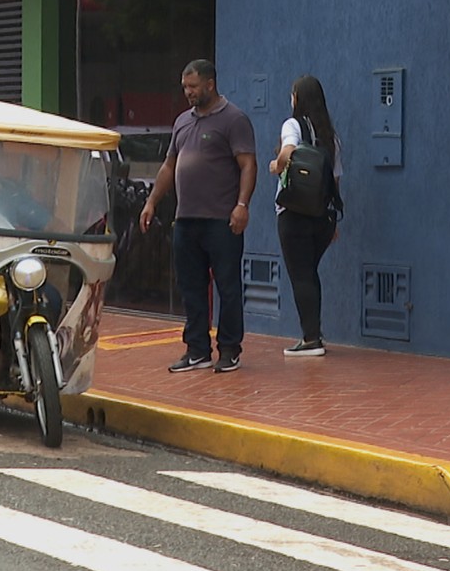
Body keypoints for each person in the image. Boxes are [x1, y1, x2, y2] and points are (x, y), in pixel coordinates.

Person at [140, 59, 257, 374]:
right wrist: (152, 201)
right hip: (187, 219)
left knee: (228, 286)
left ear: (210, 84)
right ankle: (197, 350)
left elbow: (248, 164)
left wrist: (242, 205)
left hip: (221, 220)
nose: (188, 93)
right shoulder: (182, 122)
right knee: (190, 286)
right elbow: (168, 166)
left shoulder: (234, 120)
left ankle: (230, 349)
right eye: (185, 88)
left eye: (193, 87)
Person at [268, 75, 341, 357]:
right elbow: (336, 180)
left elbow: (288, 151)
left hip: (293, 213)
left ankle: (311, 339)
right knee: (309, 273)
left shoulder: (293, 124)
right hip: (321, 217)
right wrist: (332, 218)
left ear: (297, 98)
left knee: (300, 275)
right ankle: (315, 332)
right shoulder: (329, 135)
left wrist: (276, 165)